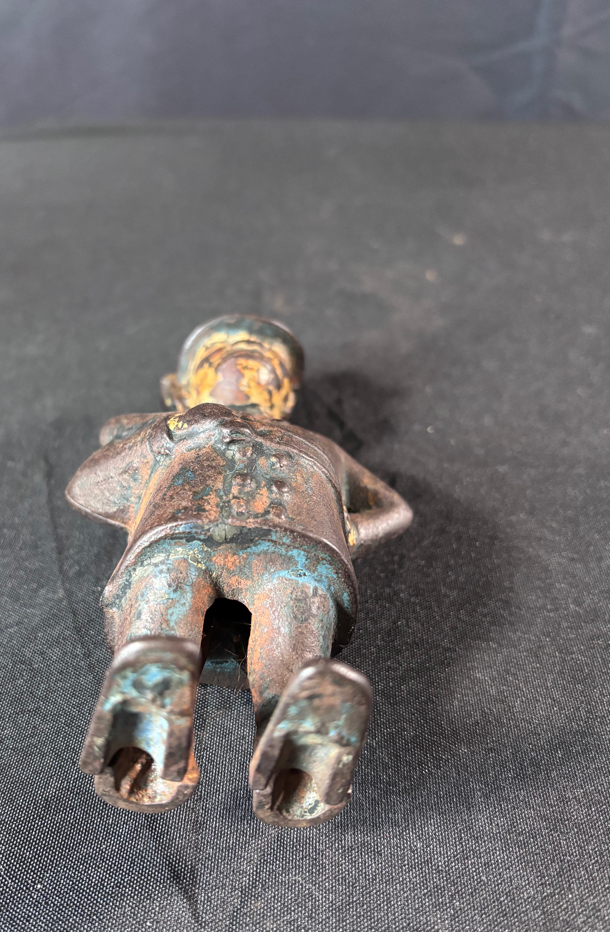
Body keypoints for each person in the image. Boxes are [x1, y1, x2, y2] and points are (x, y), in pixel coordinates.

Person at [67, 315, 412, 826]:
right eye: (224, 361)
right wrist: (168, 433)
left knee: (296, 602)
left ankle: (295, 737)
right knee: (168, 583)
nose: (250, 370)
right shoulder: (164, 429)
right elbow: (88, 488)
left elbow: (393, 509)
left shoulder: (323, 447)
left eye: (269, 368)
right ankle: (147, 716)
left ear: (287, 396)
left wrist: (349, 532)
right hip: (178, 538)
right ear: (178, 389)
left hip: (292, 549)